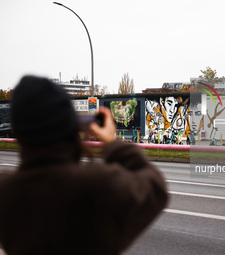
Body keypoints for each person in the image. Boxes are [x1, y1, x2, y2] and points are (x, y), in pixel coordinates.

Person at [0, 76, 168, 255]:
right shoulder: (97, 184)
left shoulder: (6, 192)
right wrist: (112, 142)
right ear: (71, 126)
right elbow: (155, 187)